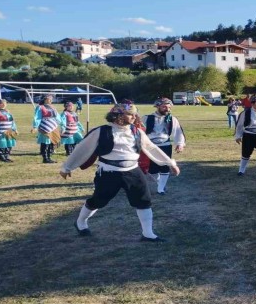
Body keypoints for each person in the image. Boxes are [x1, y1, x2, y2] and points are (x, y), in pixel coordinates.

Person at [60, 100, 180, 242]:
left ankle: (148, 233)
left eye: (135, 114)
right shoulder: (101, 131)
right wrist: (67, 167)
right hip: (109, 172)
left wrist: (169, 162)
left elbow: (151, 147)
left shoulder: (137, 132)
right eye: (131, 114)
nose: (135, 117)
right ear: (118, 116)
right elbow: (82, 148)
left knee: (143, 200)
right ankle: (80, 223)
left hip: (133, 171)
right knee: (99, 201)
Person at [143, 98, 186, 195]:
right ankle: (159, 183)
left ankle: (161, 189)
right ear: (157, 106)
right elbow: (139, 130)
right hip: (150, 146)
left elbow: (178, 131)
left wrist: (180, 144)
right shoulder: (146, 118)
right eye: (164, 107)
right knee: (152, 170)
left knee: (165, 166)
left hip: (165, 145)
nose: (167, 109)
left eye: (169, 107)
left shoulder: (172, 119)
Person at [32, 95, 60, 163]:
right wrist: (35, 126)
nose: (49, 101)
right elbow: (37, 117)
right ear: (44, 100)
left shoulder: (53, 107)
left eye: (51, 99)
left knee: (51, 141)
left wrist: (60, 125)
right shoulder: (40, 107)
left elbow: (58, 117)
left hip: (53, 126)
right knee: (45, 142)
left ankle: (49, 156)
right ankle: (45, 158)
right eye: (48, 99)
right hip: (44, 126)